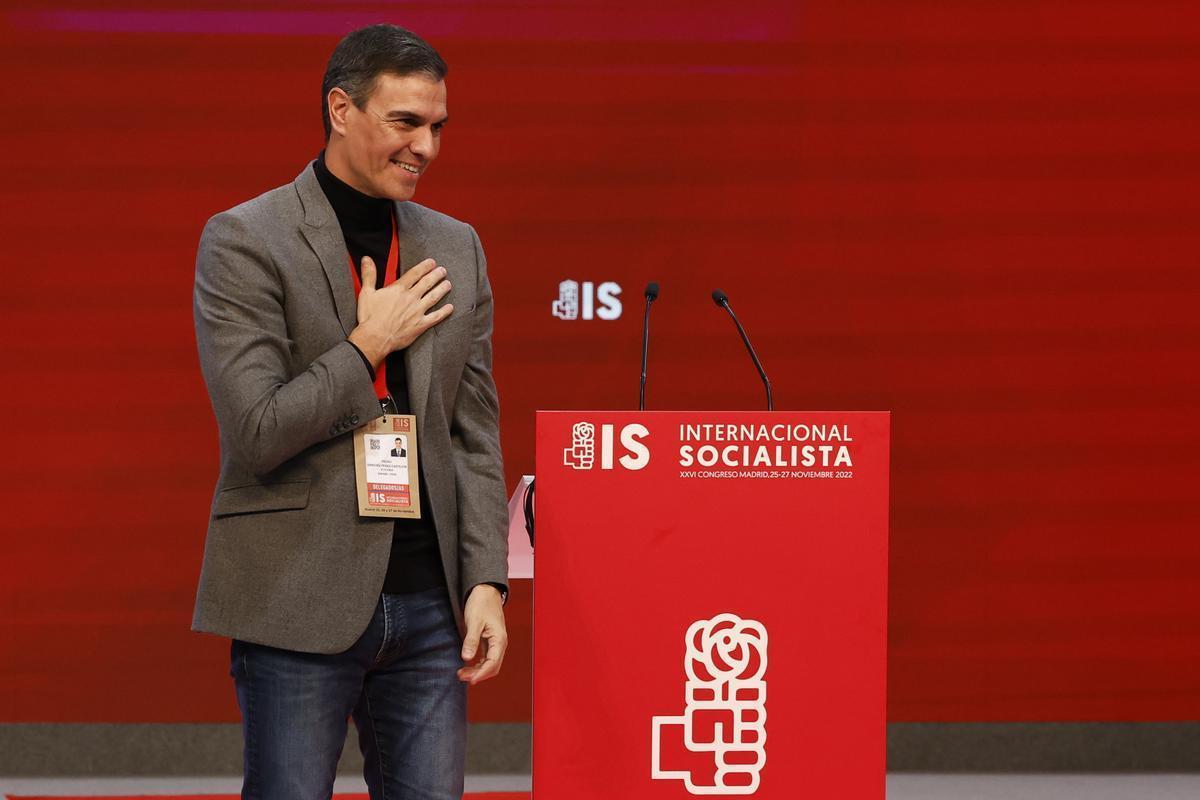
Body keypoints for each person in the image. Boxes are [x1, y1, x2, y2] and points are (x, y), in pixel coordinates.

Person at [191, 24, 509, 800]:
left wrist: (486, 581)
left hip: (432, 607)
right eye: (405, 122)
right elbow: (258, 431)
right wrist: (368, 345)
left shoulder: (456, 247)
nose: (425, 146)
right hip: (297, 597)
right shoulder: (245, 240)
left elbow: (472, 432)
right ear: (341, 110)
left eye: (437, 126)